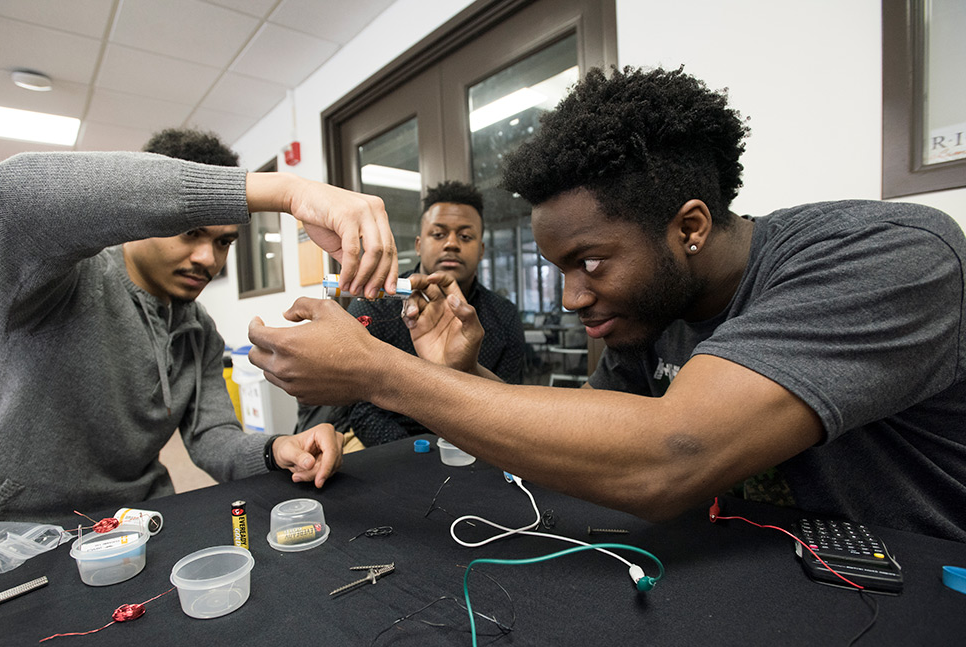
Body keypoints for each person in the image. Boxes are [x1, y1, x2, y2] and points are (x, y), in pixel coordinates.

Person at [246, 67, 966, 542]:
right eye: (558, 268)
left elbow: (668, 455)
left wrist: (379, 371)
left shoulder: (889, 254)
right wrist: (465, 374)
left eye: (589, 263)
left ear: (689, 228)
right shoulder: (645, 315)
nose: (572, 297)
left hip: (915, 594)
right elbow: (601, 450)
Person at [0, 128, 399, 527]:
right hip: (14, 534)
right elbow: (2, 197)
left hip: (134, 525)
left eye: (223, 242)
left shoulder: (198, 329)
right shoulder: (57, 285)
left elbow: (211, 439)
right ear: (144, 218)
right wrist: (288, 190)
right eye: (189, 232)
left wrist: (278, 448)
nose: (209, 259)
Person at [340, 180, 524, 447]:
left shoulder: (503, 315)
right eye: (438, 234)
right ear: (418, 244)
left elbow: (512, 402)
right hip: (392, 450)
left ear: (481, 249)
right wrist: (418, 455)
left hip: (478, 445)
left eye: (465, 236)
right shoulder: (376, 304)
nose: (451, 244)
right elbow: (357, 404)